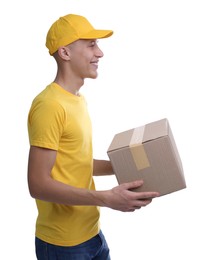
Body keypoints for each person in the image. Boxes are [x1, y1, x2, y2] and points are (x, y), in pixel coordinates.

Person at [27, 13, 159, 260]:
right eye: (91, 45)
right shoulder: (49, 105)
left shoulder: (77, 100)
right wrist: (106, 198)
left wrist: (124, 167)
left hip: (92, 234)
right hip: (63, 244)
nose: (100, 53)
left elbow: (73, 163)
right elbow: (38, 183)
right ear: (65, 53)